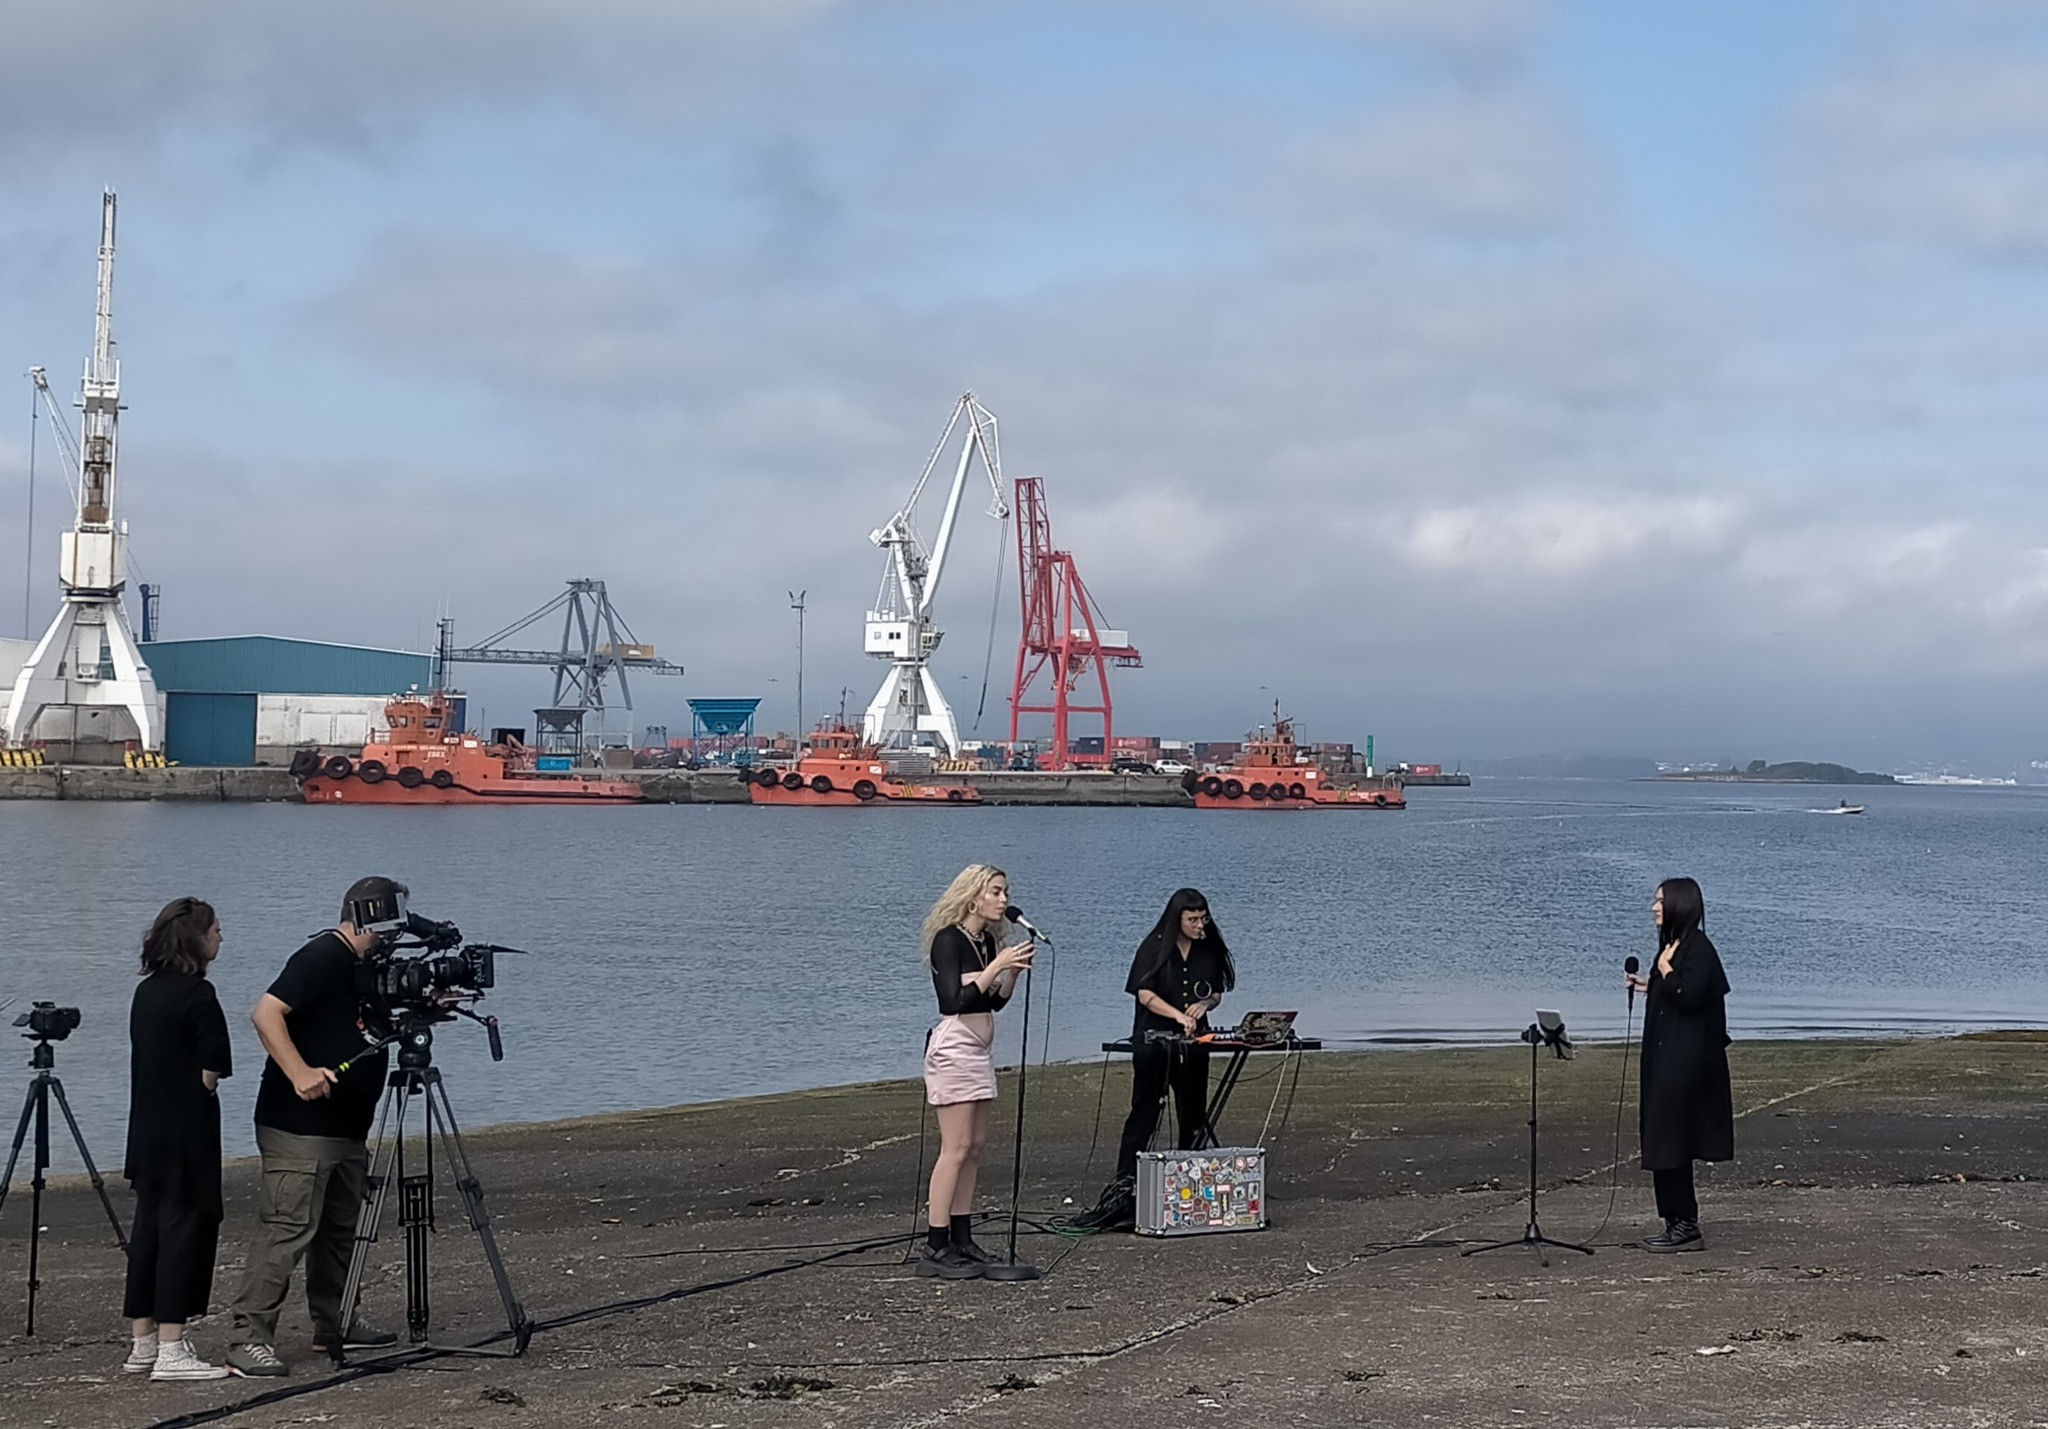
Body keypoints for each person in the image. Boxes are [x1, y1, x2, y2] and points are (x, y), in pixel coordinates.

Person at [224, 877, 403, 1375]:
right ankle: (247, 1338)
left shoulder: (364, 968)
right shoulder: (321, 957)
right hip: (299, 1126)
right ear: (368, 917)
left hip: (347, 1128)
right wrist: (299, 1072)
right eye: (388, 924)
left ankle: (337, 1323)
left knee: (339, 1230)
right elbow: (265, 1013)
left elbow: (360, 1027)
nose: (390, 936)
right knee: (288, 1231)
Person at [121, 898, 234, 1382]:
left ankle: (142, 1341)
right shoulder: (197, 995)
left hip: (146, 1127)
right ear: (196, 938)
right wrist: (202, 1087)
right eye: (215, 929)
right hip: (187, 1129)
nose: (220, 936)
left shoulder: (146, 992)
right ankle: (172, 1346)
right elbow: (215, 1064)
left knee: (148, 1230)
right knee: (184, 1231)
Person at [917, 864, 1034, 1279]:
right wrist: (996, 965)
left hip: (980, 1049)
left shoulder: (986, 941)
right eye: (996, 892)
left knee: (976, 1147)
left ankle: (963, 1238)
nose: (1004, 900)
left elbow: (990, 1002)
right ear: (973, 897)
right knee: (956, 1146)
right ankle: (935, 1243)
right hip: (954, 1049)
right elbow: (954, 1001)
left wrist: (1011, 975)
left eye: (1005, 892)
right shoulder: (949, 940)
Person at [1094, 889, 1236, 1229]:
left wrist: (1205, 1006)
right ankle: (1124, 1185)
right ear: (1177, 919)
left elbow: (1216, 991)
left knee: (1193, 1111)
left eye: (1203, 918)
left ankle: (1191, 1183)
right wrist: (1177, 1016)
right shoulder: (1154, 945)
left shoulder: (1208, 946)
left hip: (1195, 1043)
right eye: (1192, 919)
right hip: (1153, 1039)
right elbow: (1145, 994)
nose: (1199, 925)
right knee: (1145, 1109)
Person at [1626, 875, 1734, 1252]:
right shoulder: (1676, 946)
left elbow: (1689, 998)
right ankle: (1672, 1221)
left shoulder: (1698, 949)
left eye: (1660, 900)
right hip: (1666, 1061)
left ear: (1679, 905)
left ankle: (1686, 1225)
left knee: (1672, 1141)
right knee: (1660, 1141)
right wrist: (1649, 983)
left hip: (1686, 1067)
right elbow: (1677, 995)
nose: (1654, 907)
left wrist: (1667, 972)